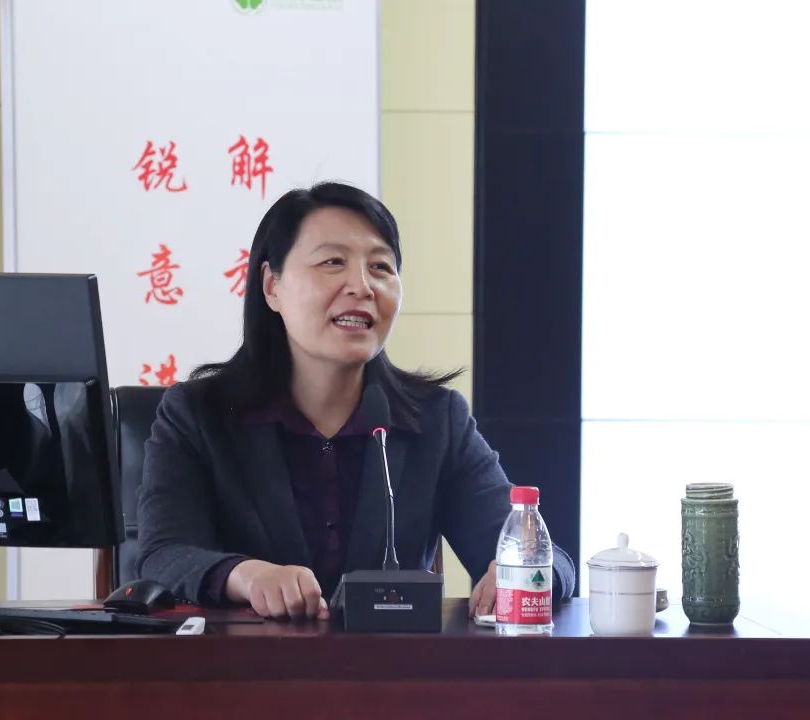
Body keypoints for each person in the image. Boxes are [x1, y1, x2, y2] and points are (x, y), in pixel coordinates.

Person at [137, 182, 575, 620]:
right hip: (243, 660)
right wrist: (247, 576)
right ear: (272, 286)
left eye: (381, 267)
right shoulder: (198, 415)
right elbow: (164, 555)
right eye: (333, 262)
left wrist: (525, 573)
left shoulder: (436, 420)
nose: (362, 286)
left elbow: (543, 556)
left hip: (388, 662)